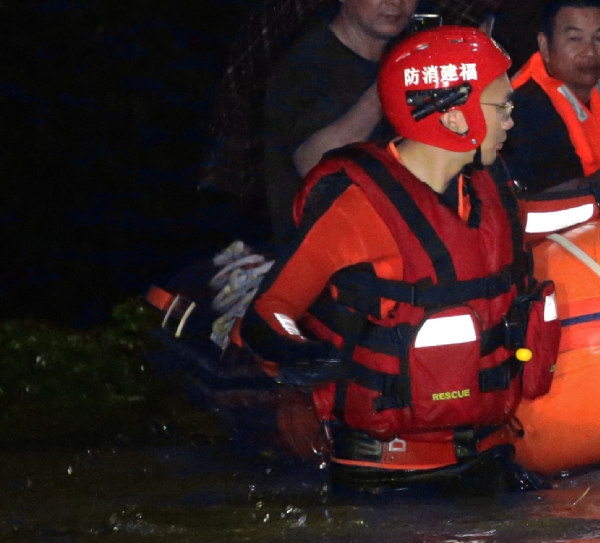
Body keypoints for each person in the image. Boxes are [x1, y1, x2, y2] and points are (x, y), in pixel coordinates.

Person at [239, 27, 560, 487]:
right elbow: (269, 313)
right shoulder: (356, 205)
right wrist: (296, 354)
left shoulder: (484, 186)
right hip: (390, 477)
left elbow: (527, 221)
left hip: (489, 455)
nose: (511, 120)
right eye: (502, 107)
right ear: (451, 117)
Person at [263, 0, 420, 239]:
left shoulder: (401, 56)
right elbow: (315, 161)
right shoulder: (306, 62)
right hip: (321, 250)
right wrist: (385, 86)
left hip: (384, 239)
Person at [502, 0, 600, 195]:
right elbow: (565, 196)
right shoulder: (527, 104)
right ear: (544, 46)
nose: (589, 52)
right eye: (575, 39)